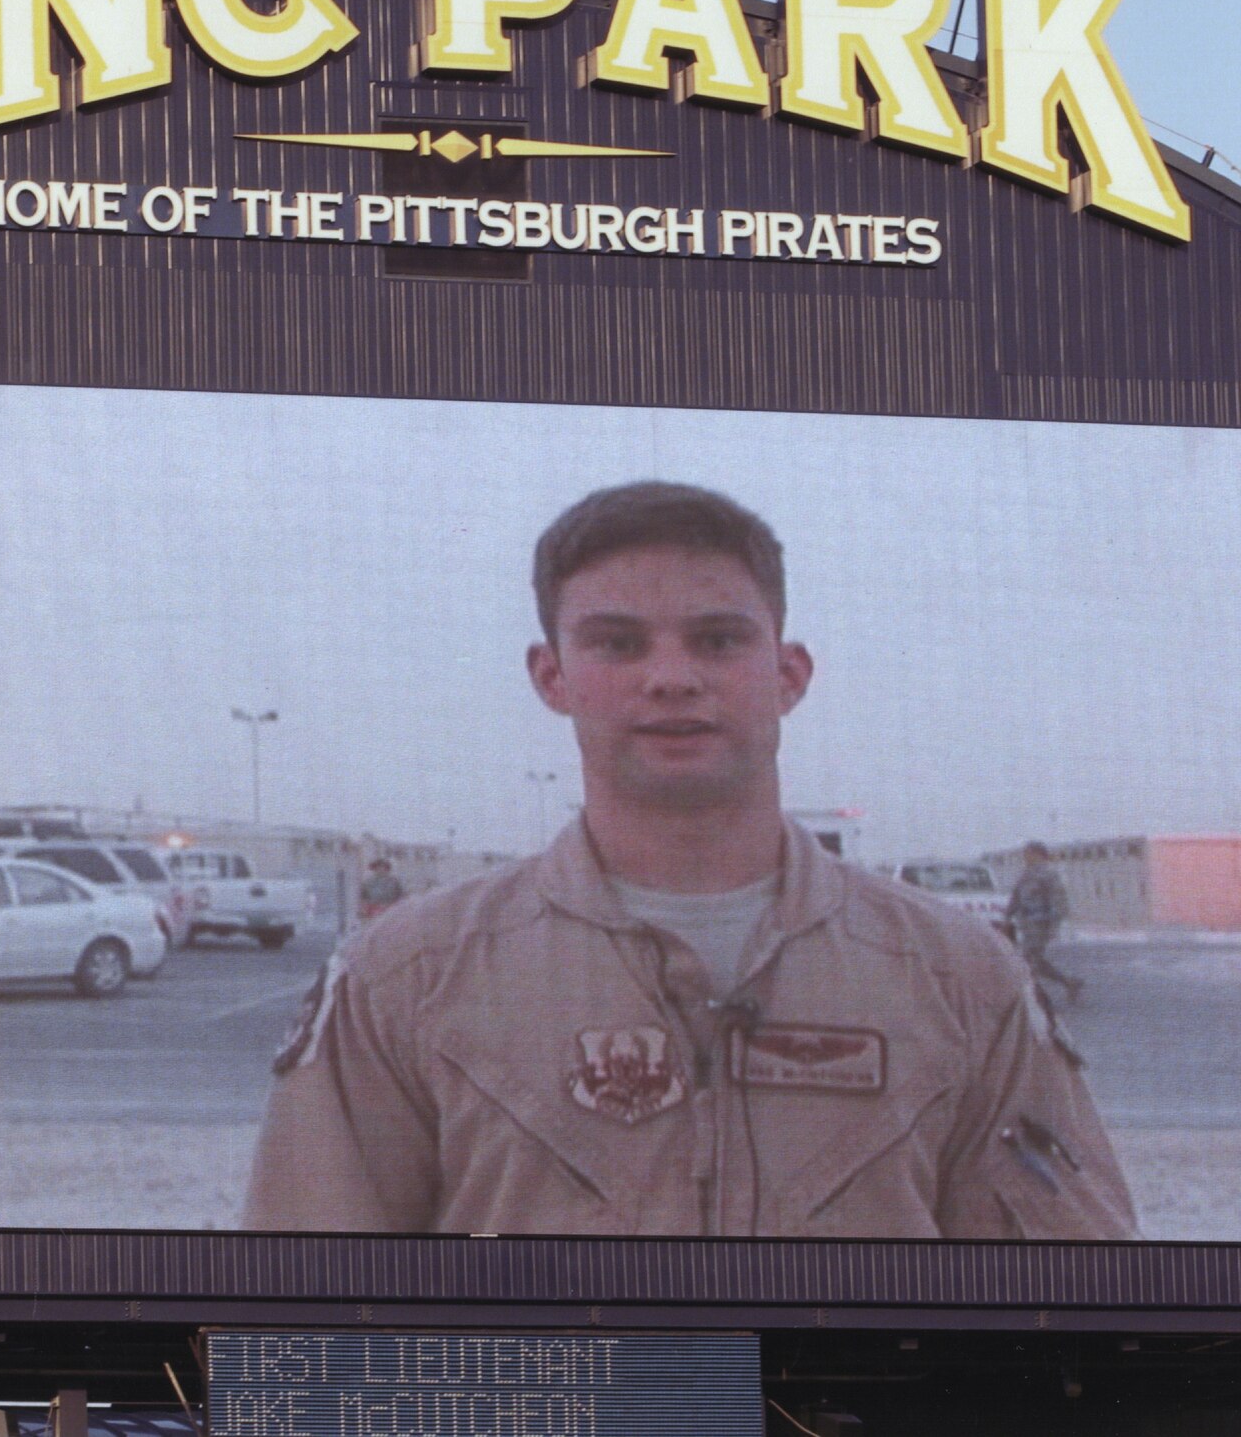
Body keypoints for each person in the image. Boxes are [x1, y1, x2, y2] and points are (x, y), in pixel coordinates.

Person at [244, 482, 1135, 1239]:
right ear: (551, 675)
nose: (670, 677)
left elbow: (1075, 1320)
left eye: (717, 639)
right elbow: (304, 1328)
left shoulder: (962, 979)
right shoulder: (405, 979)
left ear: (787, 673)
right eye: (618, 643)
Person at [1004, 842, 1084, 1004]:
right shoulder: (1026, 873)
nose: (1025, 857)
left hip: (1041, 922)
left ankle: (1031, 998)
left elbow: (1058, 901)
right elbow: (1017, 895)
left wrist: (1053, 926)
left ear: (1038, 854)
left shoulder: (1049, 873)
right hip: (1027, 922)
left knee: (1028, 959)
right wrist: (1008, 913)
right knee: (1035, 960)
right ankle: (1069, 982)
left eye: (1028, 853)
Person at [357, 857, 407, 922]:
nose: (380, 870)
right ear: (374, 869)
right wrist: (364, 911)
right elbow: (363, 898)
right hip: (373, 912)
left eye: (383, 867)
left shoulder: (394, 882)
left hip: (390, 911)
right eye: (377, 868)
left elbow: (401, 897)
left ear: (387, 869)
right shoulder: (367, 883)